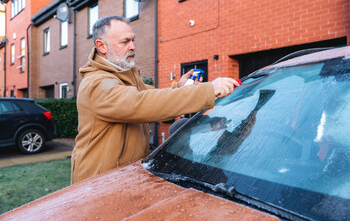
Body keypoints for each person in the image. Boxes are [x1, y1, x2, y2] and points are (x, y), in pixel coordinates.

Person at [71, 16, 239, 184]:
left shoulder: (124, 76)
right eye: (125, 42)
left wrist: (180, 88)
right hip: (98, 183)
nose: (133, 47)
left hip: (122, 177)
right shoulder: (97, 83)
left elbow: (154, 99)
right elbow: (140, 104)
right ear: (102, 46)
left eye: (133, 40)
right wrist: (208, 90)